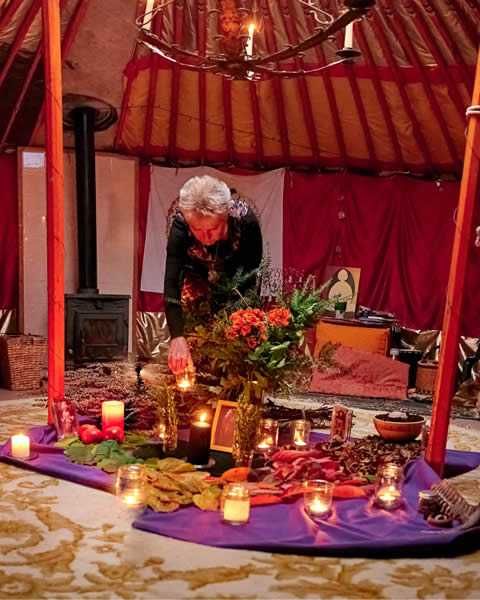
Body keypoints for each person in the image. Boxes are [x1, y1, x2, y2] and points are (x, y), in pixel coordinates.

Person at [164, 175, 263, 373]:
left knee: (235, 343)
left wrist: (238, 325)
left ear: (225, 217)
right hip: (196, 281)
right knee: (195, 337)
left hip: (236, 278)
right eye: (198, 230)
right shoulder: (180, 225)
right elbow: (172, 282)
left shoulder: (246, 222)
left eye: (213, 228)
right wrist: (177, 336)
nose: (206, 238)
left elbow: (249, 280)